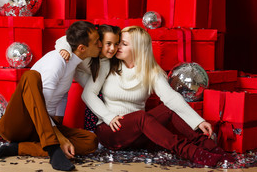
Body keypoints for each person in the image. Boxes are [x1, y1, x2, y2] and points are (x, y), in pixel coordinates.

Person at [80, 26, 235, 167]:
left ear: (139, 49)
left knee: (168, 109)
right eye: (119, 42)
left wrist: (198, 121)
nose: (116, 47)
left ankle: (212, 148)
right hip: (110, 131)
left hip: (138, 136)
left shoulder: (151, 71)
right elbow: (88, 94)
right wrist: (108, 116)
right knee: (141, 116)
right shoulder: (106, 64)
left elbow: (171, 98)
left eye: (123, 44)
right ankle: (193, 153)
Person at [0, 21, 102, 171]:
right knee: (30, 77)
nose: (100, 45)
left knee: (90, 141)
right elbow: (38, 106)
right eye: (97, 42)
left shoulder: (72, 63)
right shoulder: (56, 62)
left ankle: (19, 148)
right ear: (82, 48)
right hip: (18, 126)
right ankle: (53, 149)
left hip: (42, 128)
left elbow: (62, 96)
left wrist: (58, 125)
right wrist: (58, 137)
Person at [55, 24, 121, 130]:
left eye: (116, 44)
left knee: (97, 93)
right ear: (99, 42)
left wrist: (109, 116)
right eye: (108, 44)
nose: (113, 49)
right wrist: (65, 49)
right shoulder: (89, 48)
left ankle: (94, 129)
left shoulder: (105, 63)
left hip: (82, 74)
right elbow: (64, 39)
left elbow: (90, 93)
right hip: (69, 69)